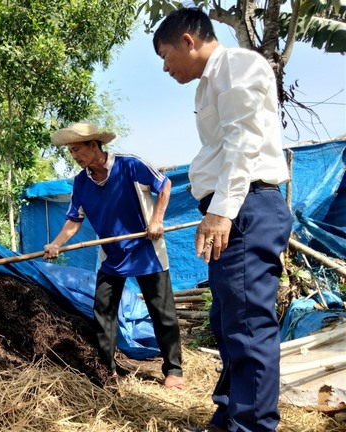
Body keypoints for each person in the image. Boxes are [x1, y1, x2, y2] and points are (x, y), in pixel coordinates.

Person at [153, 8, 293, 432]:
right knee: (229, 322)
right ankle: (229, 418)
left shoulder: (235, 65)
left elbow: (243, 140)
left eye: (165, 55)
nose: (165, 68)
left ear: (188, 41)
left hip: (245, 207)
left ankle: (251, 426)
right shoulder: (210, 84)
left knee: (248, 326)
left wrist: (220, 211)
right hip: (235, 208)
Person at [42, 121, 184, 390]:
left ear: (93, 145)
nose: (73, 156)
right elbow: (74, 219)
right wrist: (56, 244)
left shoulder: (130, 164)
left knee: (162, 312)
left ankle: (174, 370)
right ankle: (107, 371)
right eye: (70, 151)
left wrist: (157, 220)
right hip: (111, 255)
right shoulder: (81, 183)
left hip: (147, 250)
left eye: (76, 149)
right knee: (104, 312)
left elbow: (164, 185)